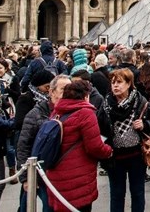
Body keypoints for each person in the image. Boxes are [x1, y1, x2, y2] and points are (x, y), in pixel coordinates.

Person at [47, 80, 113, 212]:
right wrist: (109, 151)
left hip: (56, 173)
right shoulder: (85, 113)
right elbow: (94, 146)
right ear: (86, 96)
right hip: (78, 174)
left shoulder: (56, 112)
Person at [104, 68, 150, 212]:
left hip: (137, 156)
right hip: (115, 157)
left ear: (129, 83)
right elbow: (99, 126)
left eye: (119, 82)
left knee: (137, 193)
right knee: (117, 195)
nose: (115, 86)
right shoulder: (106, 103)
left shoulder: (140, 101)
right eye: (113, 83)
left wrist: (145, 124)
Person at [16, 74, 71, 212]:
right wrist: (25, 178)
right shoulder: (36, 114)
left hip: (62, 175)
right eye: (64, 89)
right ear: (52, 91)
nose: (68, 93)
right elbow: (23, 146)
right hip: (41, 175)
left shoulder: (72, 112)